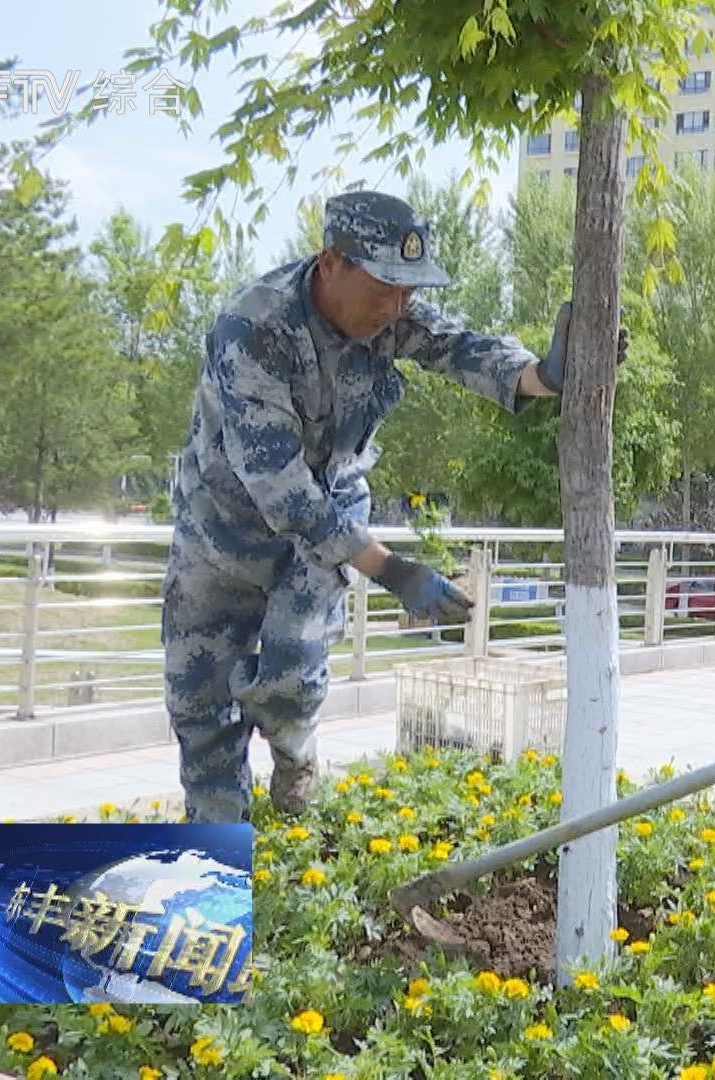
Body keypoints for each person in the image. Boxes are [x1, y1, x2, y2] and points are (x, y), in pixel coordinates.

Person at [163, 190, 624, 824]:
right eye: (385, 285)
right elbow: (280, 486)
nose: (398, 304)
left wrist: (546, 374)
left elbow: (461, 349)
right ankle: (222, 856)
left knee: (292, 678)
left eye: (409, 289)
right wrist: (393, 571)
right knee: (204, 719)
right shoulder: (253, 326)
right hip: (222, 536)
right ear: (332, 263)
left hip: (324, 531)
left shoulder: (390, 312)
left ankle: (295, 771)